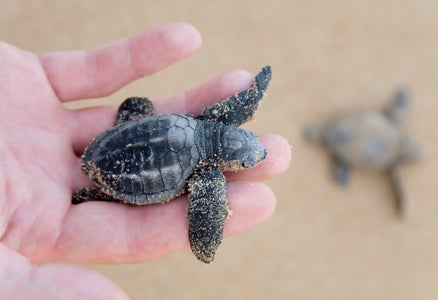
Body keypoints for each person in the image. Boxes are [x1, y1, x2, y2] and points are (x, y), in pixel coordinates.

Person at [0, 23, 291, 299]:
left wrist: (257, 89)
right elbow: (207, 218)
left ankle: (103, 173)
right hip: (120, 173)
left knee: (140, 107)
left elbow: (241, 106)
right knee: (132, 190)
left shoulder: (211, 121)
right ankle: (93, 193)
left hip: (113, 141)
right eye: (244, 163)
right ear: (228, 159)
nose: (255, 160)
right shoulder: (209, 178)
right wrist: (205, 242)